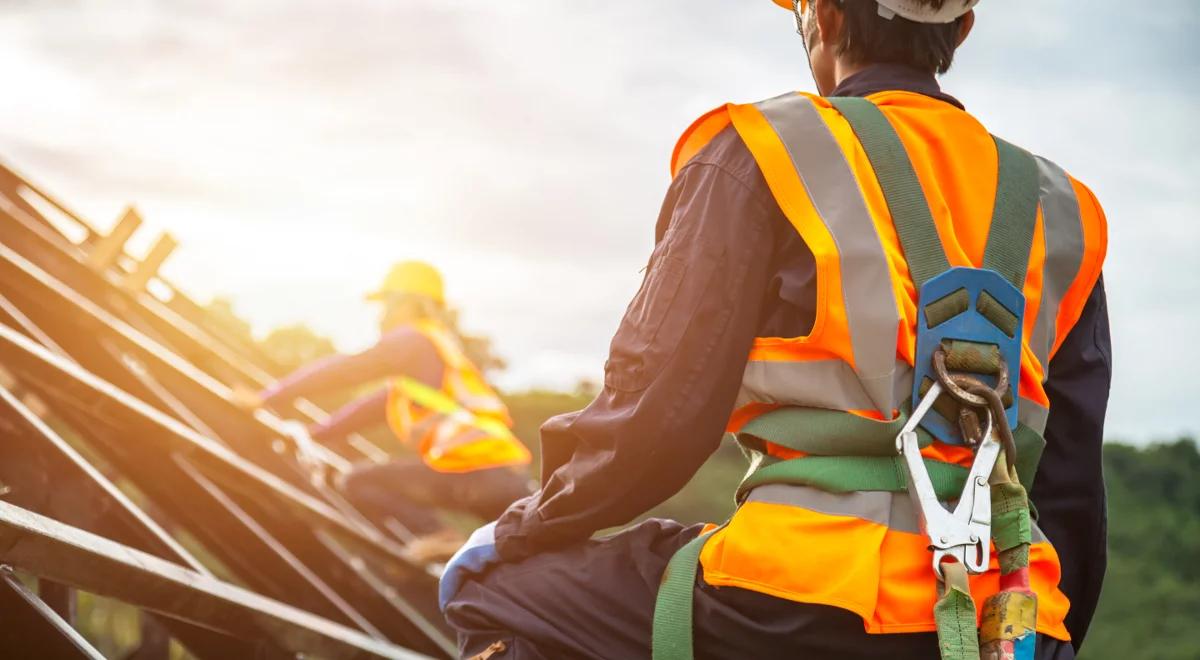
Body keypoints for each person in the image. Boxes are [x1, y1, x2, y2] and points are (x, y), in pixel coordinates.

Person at [438, 1, 1110, 659]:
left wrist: (527, 525)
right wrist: (1041, 635)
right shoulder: (1066, 210)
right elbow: (1072, 487)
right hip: (1012, 625)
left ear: (827, 18)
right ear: (962, 28)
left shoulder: (764, 150)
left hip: (801, 600)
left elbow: (657, 417)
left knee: (493, 590)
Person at [241, 261, 533, 538]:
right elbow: (361, 413)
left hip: (475, 473)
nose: (381, 314)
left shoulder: (414, 340)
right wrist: (311, 436)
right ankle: (435, 546)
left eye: (385, 303)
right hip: (504, 480)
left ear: (405, 302)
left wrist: (266, 398)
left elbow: (346, 370)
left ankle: (435, 536)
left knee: (360, 482)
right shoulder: (426, 370)